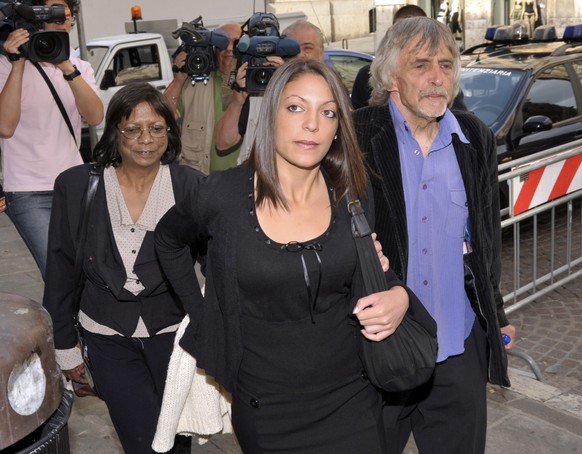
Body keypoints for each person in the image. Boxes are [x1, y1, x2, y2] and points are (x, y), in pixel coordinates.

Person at [155, 58, 420, 453]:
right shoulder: (221, 194)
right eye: (296, 107)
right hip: (266, 408)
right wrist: (204, 313)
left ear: (337, 129)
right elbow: (167, 240)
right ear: (271, 114)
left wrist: (400, 296)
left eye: (327, 112)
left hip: (353, 397)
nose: (312, 123)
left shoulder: (351, 194)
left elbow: (377, 271)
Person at [352, 17, 516, 453]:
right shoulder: (357, 135)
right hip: (379, 351)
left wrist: (496, 315)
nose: (436, 78)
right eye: (421, 64)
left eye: (446, 65)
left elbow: (484, 242)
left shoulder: (475, 138)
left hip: (459, 347)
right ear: (390, 76)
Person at [43, 82, 201, 453]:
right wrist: (65, 348)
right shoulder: (76, 185)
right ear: (115, 132)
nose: (146, 138)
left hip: (175, 335)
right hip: (106, 333)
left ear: (169, 132)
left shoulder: (191, 186)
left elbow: (219, 264)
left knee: (177, 437)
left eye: (157, 128)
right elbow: (61, 270)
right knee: (141, 441)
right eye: (133, 128)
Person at [0, 0, 103, 280]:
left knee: (90, 270)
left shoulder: (78, 66)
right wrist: (18, 63)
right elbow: (5, 127)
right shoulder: (6, 65)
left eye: (66, 15)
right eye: (51, 14)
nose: (60, 21)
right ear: (34, 20)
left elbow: (94, 116)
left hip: (75, 184)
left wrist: (66, 66)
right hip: (27, 190)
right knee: (59, 275)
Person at [214, 18, 325, 165]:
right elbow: (223, 143)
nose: (300, 55)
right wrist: (238, 101)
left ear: (321, 54)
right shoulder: (258, 89)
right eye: (293, 49)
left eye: (308, 48)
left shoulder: (331, 93)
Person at [163, 22, 242, 174]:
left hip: (244, 182)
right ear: (213, 49)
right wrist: (179, 80)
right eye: (223, 43)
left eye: (236, 43)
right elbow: (163, 118)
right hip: (201, 182)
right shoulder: (193, 84)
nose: (230, 49)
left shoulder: (254, 87)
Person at [351, 4, 427, 110]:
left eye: (415, 33)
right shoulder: (367, 75)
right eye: (401, 31)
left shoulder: (439, 78)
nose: (408, 41)